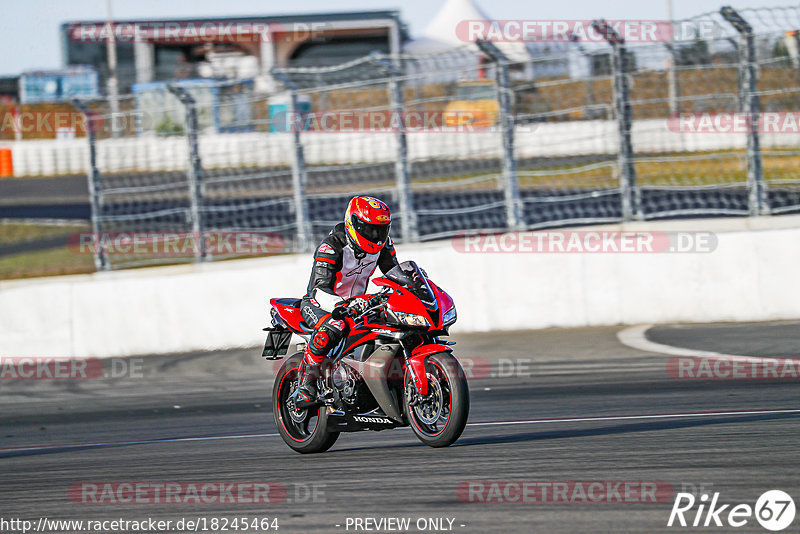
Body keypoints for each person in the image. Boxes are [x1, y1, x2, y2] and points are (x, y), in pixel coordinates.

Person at [294, 196, 399, 408]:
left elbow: (394, 274)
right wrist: (341, 305)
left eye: (381, 229)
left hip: (358, 303)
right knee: (335, 326)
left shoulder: (383, 245)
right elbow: (320, 288)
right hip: (320, 303)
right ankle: (306, 385)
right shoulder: (331, 247)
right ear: (353, 224)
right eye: (369, 229)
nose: (376, 236)